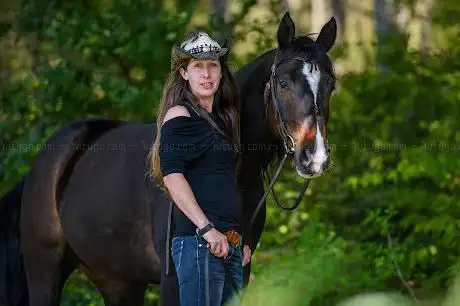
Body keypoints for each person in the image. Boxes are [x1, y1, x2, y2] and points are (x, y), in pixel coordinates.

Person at [150, 30, 252, 306]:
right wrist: (206, 229)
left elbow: (222, 183)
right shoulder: (180, 115)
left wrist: (239, 239)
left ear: (220, 72)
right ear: (184, 74)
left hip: (228, 245)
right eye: (198, 67)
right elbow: (172, 177)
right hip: (199, 244)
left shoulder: (221, 120)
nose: (206, 75)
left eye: (212, 66)